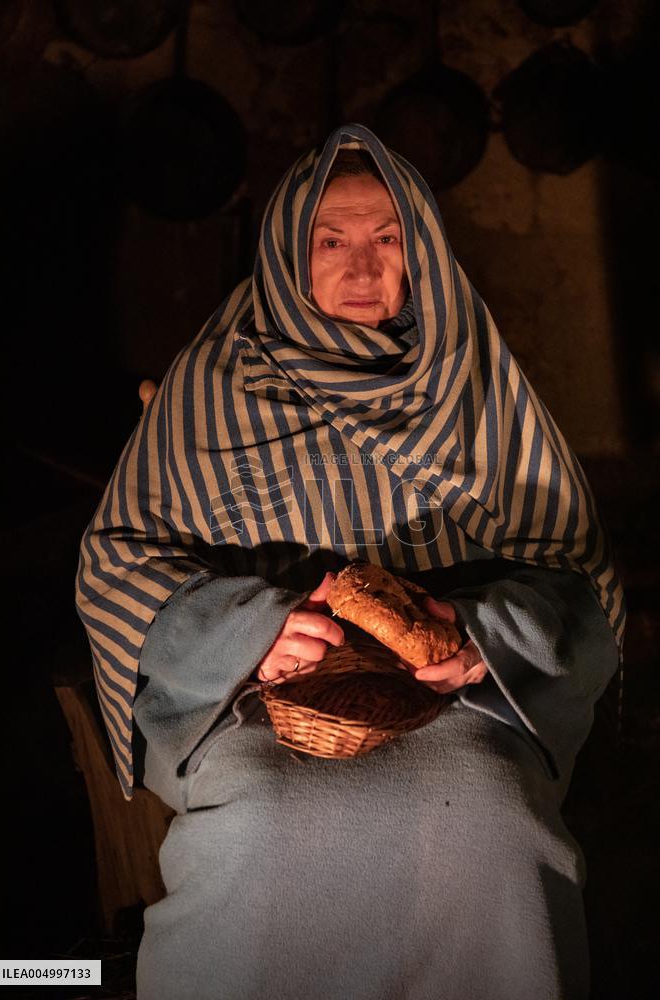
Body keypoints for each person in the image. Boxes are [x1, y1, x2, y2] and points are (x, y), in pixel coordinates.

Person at [75, 123, 625, 1000]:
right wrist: (249, 633)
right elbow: (117, 564)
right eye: (331, 241)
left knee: (490, 818)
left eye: (387, 240)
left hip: (457, 698)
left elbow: (577, 571)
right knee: (263, 824)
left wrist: (486, 636)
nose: (361, 269)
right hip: (254, 699)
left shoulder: (480, 384)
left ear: (424, 256)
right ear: (291, 255)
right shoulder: (206, 388)